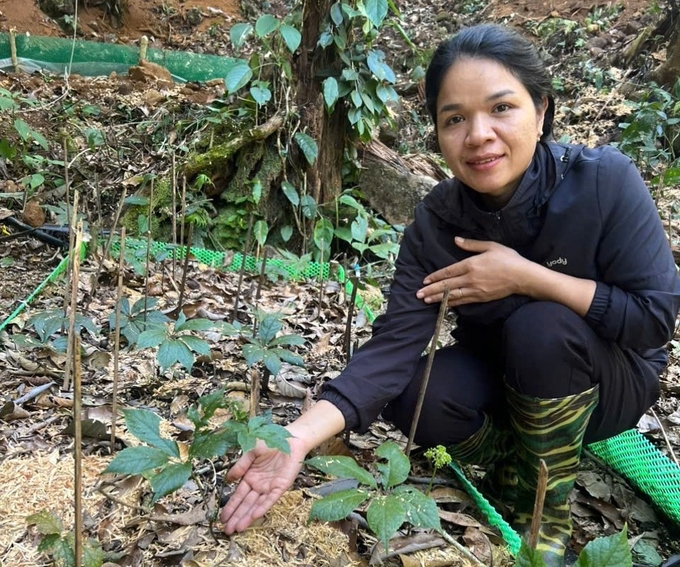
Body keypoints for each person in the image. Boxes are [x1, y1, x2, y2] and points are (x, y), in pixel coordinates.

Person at [220, 24, 680, 566]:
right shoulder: (439, 222)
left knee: (541, 326)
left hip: (610, 381)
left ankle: (542, 510)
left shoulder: (604, 182)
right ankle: (520, 460)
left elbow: (653, 320)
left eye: (501, 108)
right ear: (438, 134)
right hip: (506, 380)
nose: (478, 134)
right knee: (417, 394)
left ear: (541, 109)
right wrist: (296, 438)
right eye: (454, 119)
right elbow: (393, 346)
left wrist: (527, 277)